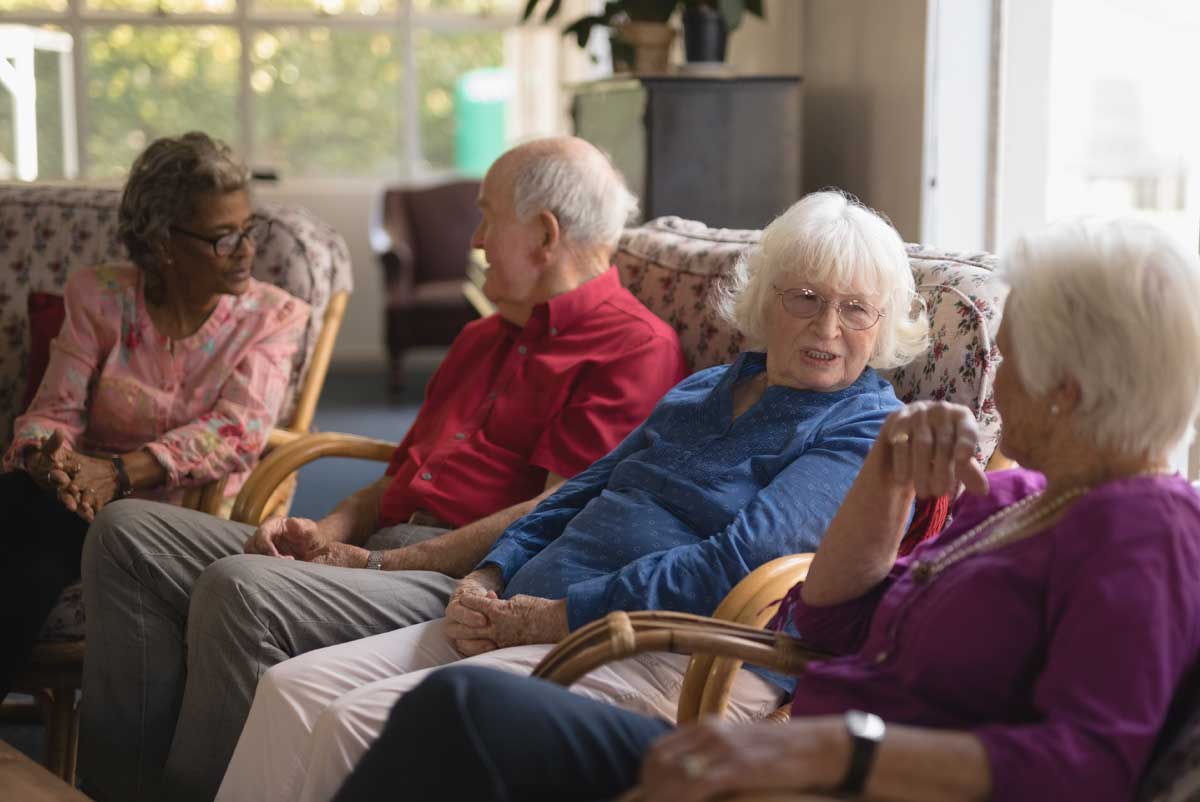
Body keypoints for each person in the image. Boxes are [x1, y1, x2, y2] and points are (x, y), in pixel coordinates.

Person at [330, 215, 1200, 802]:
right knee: (450, 718)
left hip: (815, 774)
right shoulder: (1012, 497)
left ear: (1070, 389)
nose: (993, 390)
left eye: (1009, 364)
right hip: (781, 752)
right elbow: (824, 616)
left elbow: (1090, 763)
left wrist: (838, 750)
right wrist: (889, 477)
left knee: (461, 716)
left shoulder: (1147, 531)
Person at [214, 189, 932, 802]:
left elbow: (734, 564)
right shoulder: (703, 389)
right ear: (764, 298)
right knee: (293, 690)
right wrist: (489, 573)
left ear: (884, 322)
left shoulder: (862, 428)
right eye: (805, 298)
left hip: (667, 651)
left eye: (856, 309)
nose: (828, 328)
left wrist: (558, 616)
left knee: (356, 721)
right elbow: (580, 490)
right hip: (532, 611)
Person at [78, 136, 688, 802]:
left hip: (457, 579)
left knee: (242, 587)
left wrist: (379, 564)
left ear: (544, 235)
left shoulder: (630, 348)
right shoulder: (483, 334)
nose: (476, 239)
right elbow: (399, 478)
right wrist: (327, 527)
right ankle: (120, 790)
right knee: (127, 531)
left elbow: (553, 515)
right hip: (377, 553)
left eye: (487, 217)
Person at [0, 131, 309, 702]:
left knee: (28, 535)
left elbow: (237, 431)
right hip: (78, 507)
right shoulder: (99, 296)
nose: (245, 249)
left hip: (193, 521)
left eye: (249, 230)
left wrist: (113, 474)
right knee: (29, 526)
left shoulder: (272, 316)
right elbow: (54, 411)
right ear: (163, 243)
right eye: (223, 237)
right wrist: (50, 460)